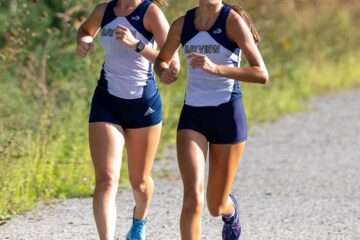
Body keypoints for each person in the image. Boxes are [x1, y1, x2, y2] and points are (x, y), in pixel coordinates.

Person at [155, 0, 269, 239]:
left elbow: (261, 73)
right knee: (192, 198)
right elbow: (161, 60)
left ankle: (231, 211)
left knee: (215, 206)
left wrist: (217, 69)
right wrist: (166, 71)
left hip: (227, 114)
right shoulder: (181, 25)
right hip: (193, 117)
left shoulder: (233, 22)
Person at [76, 0, 179, 239]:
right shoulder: (104, 10)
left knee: (140, 181)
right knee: (106, 179)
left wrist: (138, 45)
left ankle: (139, 220)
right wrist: (83, 40)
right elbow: (85, 30)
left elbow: (172, 67)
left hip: (142, 105)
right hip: (107, 101)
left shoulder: (151, 13)